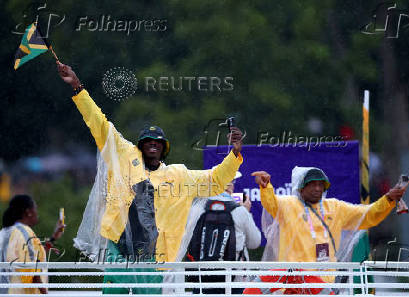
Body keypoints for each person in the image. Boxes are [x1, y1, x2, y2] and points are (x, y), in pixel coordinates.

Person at [56, 63, 243, 294]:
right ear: (140, 145)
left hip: (155, 254)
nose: (152, 144)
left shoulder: (178, 175)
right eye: (147, 141)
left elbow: (215, 180)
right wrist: (77, 86)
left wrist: (234, 154)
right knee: (113, 294)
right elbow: (99, 123)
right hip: (120, 248)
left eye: (157, 142)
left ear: (164, 148)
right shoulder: (124, 155)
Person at [246, 166, 405, 294]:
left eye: (320, 184)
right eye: (312, 184)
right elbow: (271, 203)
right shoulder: (288, 204)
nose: (317, 188)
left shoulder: (335, 207)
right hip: (291, 285)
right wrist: (266, 187)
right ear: (301, 187)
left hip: (324, 285)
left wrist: (388, 199)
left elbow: (368, 215)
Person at [175, 171, 261, 294]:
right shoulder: (239, 211)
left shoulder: (197, 208)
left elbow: (185, 241)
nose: (231, 185)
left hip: (202, 280)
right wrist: (246, 212)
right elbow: (255, 242)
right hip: (233, 281)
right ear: (230, 186)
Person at [0, 194, 65, 294]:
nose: (37, 213)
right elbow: (32, 272)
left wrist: (53, 237)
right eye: (35, 209)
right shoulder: (25, 233)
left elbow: (29, 258)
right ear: (28, 212)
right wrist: (46, 294)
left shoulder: (5, 232)